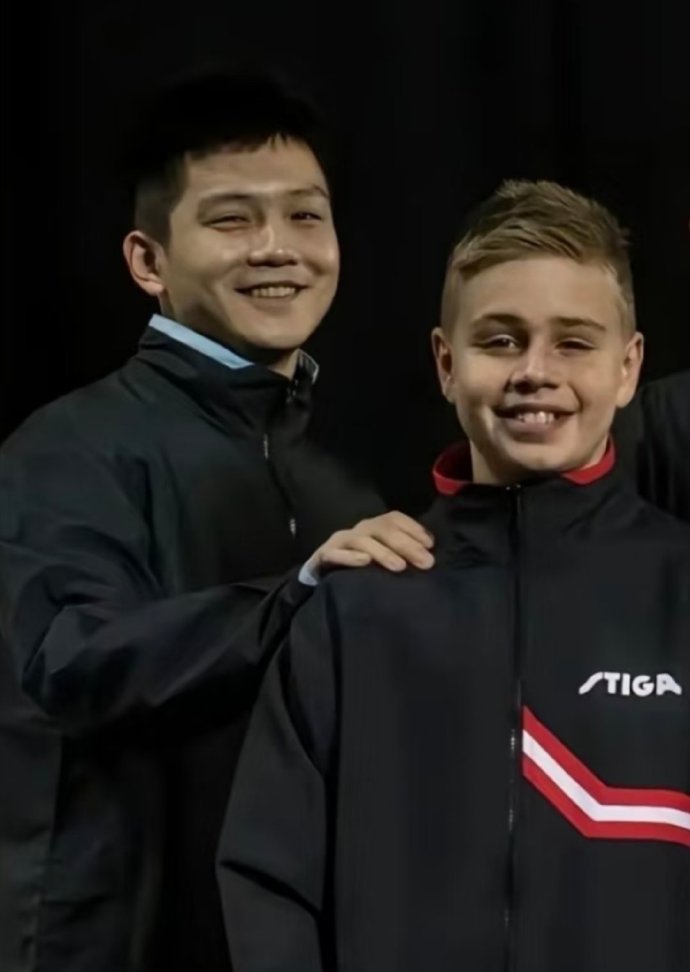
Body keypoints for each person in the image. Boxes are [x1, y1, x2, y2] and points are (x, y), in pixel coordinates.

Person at [0, 70, 433, 972]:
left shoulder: (342, 489)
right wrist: (296, 597)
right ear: (147, 261)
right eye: (232, 220)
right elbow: (70, 660)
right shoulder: (69, 446)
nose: (278, 249)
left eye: (305, 215)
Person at [218, 180, 690, 972]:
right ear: (446, 362)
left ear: (627, 367)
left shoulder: (679, 590)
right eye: (500, 340)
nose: (535, 371)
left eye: (573, 343)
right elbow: (269, 878)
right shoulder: (359, 607)